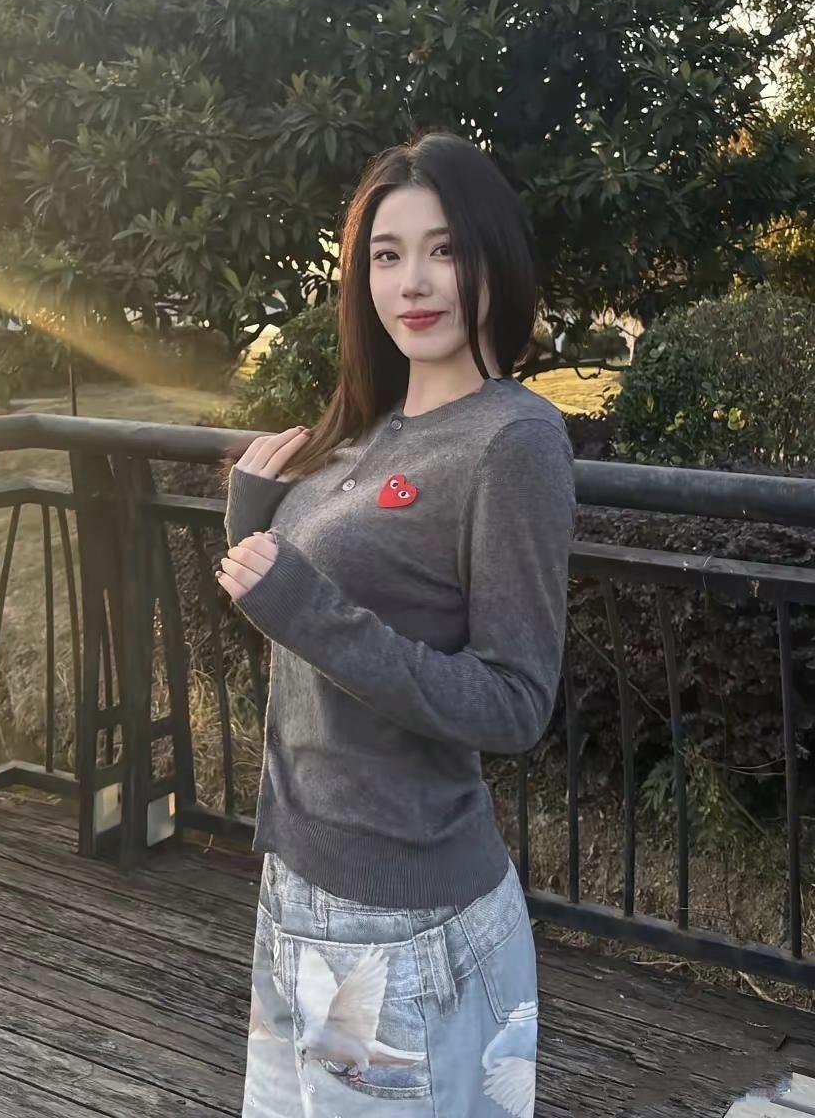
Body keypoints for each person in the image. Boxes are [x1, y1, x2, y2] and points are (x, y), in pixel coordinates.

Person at [216, 132, 576, 1117]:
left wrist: (310, 605)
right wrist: (255, 524)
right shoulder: (371, 427)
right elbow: (308, 644)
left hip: (405, 917)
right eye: (386, 254)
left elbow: (514, 702)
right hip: (298, 881)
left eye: (444, 249)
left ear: (493, 256)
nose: (412, 280)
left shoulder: (513, 441)